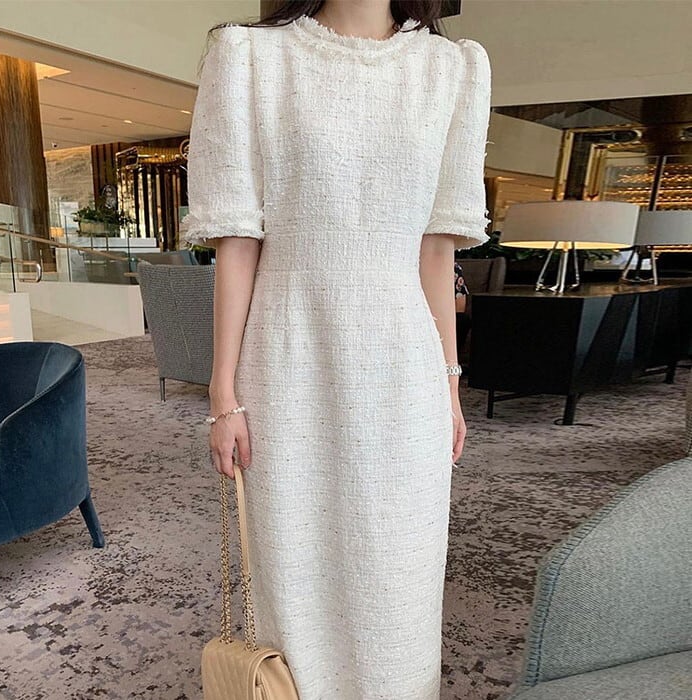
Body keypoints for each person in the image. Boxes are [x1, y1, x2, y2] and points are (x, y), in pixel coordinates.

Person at [182, 1, 492, 697]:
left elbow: (436, 250)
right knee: (294, 562)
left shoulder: (452, 69)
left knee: (399, 569)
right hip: (286, 361)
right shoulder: (250, 58)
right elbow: (238, 241)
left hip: (404, 369)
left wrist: (448, 384)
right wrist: (223, 392)